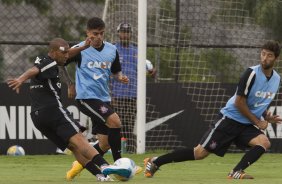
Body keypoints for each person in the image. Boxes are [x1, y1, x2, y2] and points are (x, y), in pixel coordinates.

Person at [144, 40, 282, 179]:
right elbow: (239, 102)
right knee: (199, 153)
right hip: (229, 120)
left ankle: (236, 171)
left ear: (276, 58)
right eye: (263, 54)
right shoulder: (251, 73)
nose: (264, 58)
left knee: (264, 142)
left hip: (245, 124)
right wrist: (258, 122)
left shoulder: (276, 79)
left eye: (269, 55)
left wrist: (265, 115)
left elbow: (258, 101)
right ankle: (156, 162)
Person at [6, 38, 131, 182]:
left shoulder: (45, 60)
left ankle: (100, 175)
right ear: (53, 52)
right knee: (80, 141)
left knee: (74, 148)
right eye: (64, 53)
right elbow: (34, 70)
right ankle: (105, 166)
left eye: (67, 52)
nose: (67, 56)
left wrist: (83, 48)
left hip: (37, 117)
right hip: (53, 110)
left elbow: (47, 64)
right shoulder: (49, 62)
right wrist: (20, 79)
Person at [63, 17, 142, 180]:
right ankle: (120, 164)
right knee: (115, 121)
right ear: (88, 33)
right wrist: (70, 84)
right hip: (86, 97)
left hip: (103, 98)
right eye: (95, 34)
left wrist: (120, 77)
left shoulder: (112, 49)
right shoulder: (80, 49)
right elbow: (61, 62)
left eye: (101, 33)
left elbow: (116, 70)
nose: (98, 37)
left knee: (105, 143)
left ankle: (79, 164)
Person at [112, 22, 156, 152]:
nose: (125, 34)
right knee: (116, 124)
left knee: (129, 124)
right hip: (117, 94)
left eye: (127, 32)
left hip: (133, 94)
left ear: (131, 34)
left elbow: (148, 70)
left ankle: (130, 150)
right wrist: (110, 94)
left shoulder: (137, 51)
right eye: (123, 31)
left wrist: (152, 72)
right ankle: (115, 149)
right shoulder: (113, 49)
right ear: (118, 33)